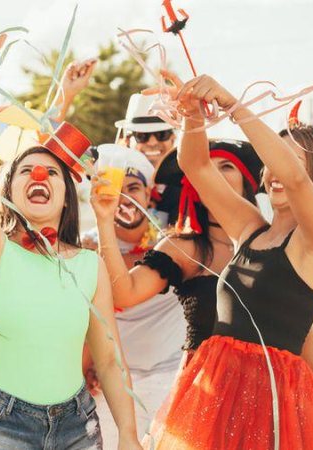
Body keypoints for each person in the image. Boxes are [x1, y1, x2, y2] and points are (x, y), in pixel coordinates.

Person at [0, 22, 142, 449]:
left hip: (78, 424)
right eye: (26, 171)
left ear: (65, 197)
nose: (40, 174)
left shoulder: (89, 264)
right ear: (11, 192)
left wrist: (129, 435)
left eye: (53, 172)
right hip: (0, 425)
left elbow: (110, 360)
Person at [152, 74, 313, 449]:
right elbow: (196, 166)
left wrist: (233, 104)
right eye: (270, 159)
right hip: (214, 391)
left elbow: (296, 181)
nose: (274, 171)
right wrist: (192, 115)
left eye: (288, 160)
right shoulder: (250, 228)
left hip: (272, 404)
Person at [81, 144, 187, 446]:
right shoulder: (86, 246)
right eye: (116, 188)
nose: (124, 197)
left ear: (148, 194)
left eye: (134, 188)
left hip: (170, 379)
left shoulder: (174, 241)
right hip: (111, 385)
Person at [115, 93, 181, 225]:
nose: (152, 142)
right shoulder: (111, 179)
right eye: (142, 136)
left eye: (161, 134)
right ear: (128, 140)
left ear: (173, 138)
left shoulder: (188, 182)